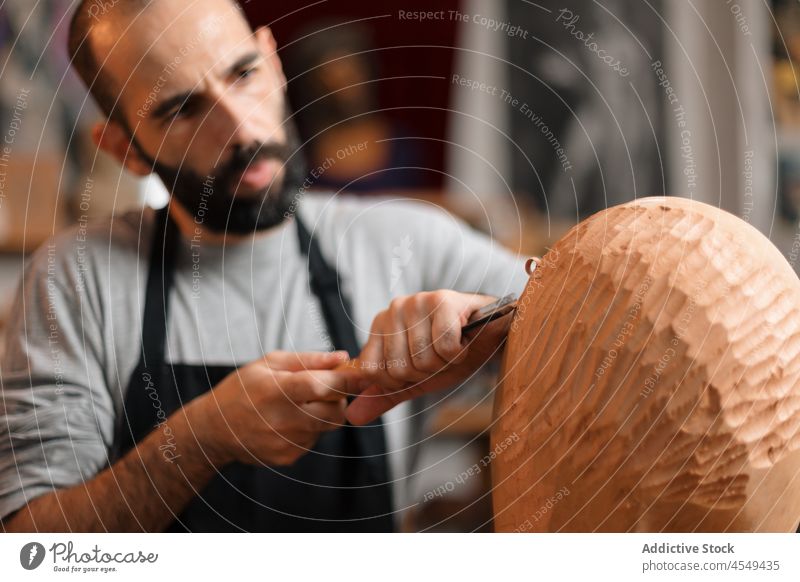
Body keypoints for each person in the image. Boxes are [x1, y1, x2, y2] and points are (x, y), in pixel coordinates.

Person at [0, 0, 527, 532]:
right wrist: (200, 439)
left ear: (273, 62)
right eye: (182, 109)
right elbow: (32, 551)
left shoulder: (405, 240)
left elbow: (594, 312)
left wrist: (494, 319)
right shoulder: (74, 281)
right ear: (123, 149)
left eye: (244, 73)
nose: (243, 131)